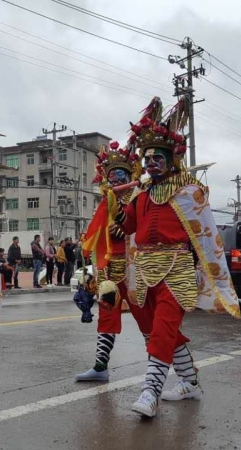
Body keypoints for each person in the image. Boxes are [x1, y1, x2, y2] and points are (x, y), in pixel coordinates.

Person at [111, 97, 240, 418]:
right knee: (163, 330)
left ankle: (150, 392)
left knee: (163, 329)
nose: (151, 162)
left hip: (178, 269)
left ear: (172, 161)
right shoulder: (139, 195)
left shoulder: (187, 192)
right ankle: (190, 382)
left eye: (158, 157)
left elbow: (204, 232)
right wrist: (116, 206)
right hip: (144, 270)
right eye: (147, 158)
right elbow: (128, 226)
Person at [76, 140, 154, 382]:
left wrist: (128, 230)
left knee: (145, 317)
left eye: (120, 175)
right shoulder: (105, 204)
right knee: (107, 316)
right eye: (111, 176)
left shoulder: (141, 199)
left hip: (135, 269)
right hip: (109, 269)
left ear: (131, 175)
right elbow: (93, 237)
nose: (116, 180)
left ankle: (157, 366)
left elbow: (150, 228)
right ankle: (101, 366)